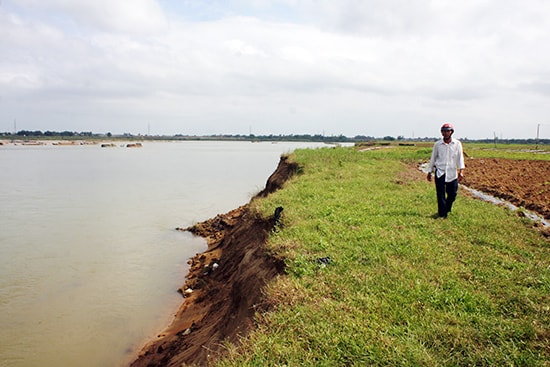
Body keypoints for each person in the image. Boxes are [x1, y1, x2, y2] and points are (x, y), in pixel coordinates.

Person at [427, 123, 465, 218]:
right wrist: (429, 171)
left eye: (448, 131)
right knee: (440, 194)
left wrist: (461, 171)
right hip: (440, 171)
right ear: (442, 133)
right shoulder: (438, 144)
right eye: (444, 131)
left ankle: (447, 208)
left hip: (452, 172)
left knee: (452, 194)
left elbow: (460, 158)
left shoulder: (457, 144)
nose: (446, 133)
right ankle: (442, 214)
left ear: (451, 132)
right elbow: (433, 158)